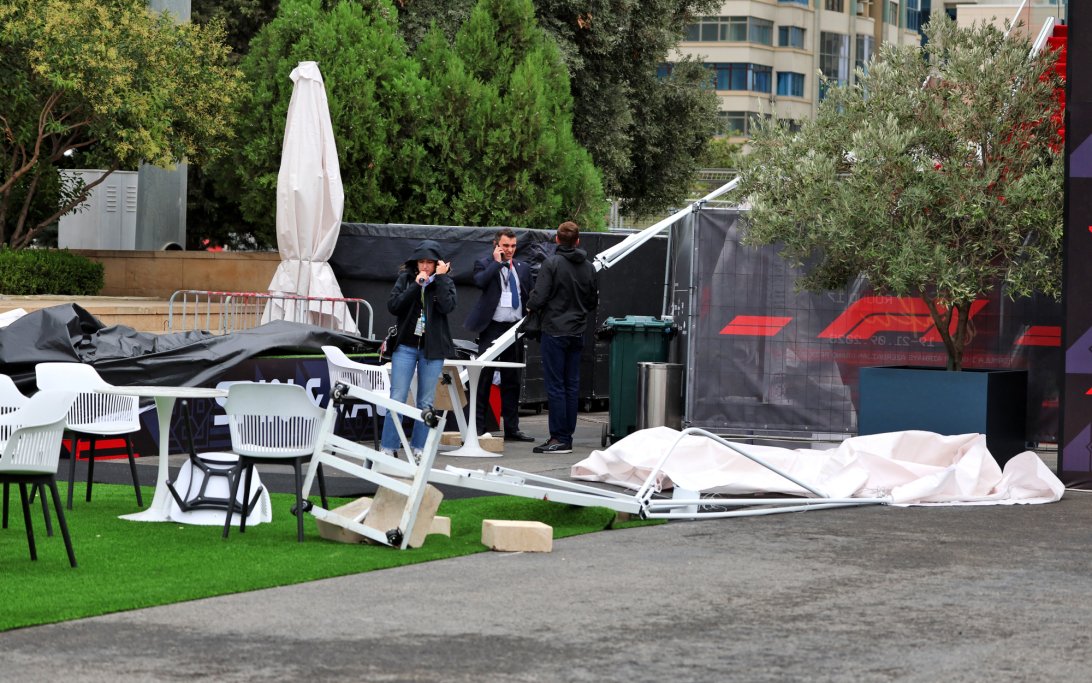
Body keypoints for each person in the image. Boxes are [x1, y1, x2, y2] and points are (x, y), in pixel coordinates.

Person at [380, 239, 456, 463]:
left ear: (438, 264)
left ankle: (419, 447)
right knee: (397, 396)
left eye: (429, 263)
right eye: (421, 262)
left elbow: (448, 306)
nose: (425, 266)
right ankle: (388, 447)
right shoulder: (406, 279)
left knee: (426, 400)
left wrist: (440, 278)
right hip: (405, 346)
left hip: (432, 350)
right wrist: (416, 285)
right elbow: (393, 306)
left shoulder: (445, 281)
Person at [525, 221, 599, 454]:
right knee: (571, 385)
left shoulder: (552, 263)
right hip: (577, 331)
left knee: (556, 385)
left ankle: (559, 438)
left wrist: (531, 305)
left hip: (555, 331)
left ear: (557, 240)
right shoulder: (588, 267)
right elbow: (591, 302)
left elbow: (538, 298)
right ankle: (566, 436)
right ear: (577, 241)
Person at [464, 228, 536, 442]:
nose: (510, 250)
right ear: (496, 245)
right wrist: (497, 263)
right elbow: (479, 282)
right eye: (506, 245)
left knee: (512, 379)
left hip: (514, 329)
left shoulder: (522, 268)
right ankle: (477, 427)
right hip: (492, 327)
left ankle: (512, 428)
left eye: (513, 246)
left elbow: (530, 294)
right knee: (484, 377)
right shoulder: (485, 263)